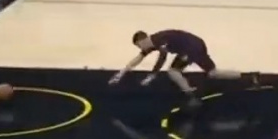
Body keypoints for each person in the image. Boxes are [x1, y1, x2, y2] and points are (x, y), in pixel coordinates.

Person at [108, 30, 255, 106]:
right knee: (213, 73)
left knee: (173, 71)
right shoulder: (153, 42)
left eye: (139, 45)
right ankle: (248, 76)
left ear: (143, 40)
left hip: (192, 48)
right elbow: (139, 58)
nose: (140, 48)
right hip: (196, 44)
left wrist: (152, 75)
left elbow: (162, 57)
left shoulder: (159, 40)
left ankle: (190, 94)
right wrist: (121, 73)